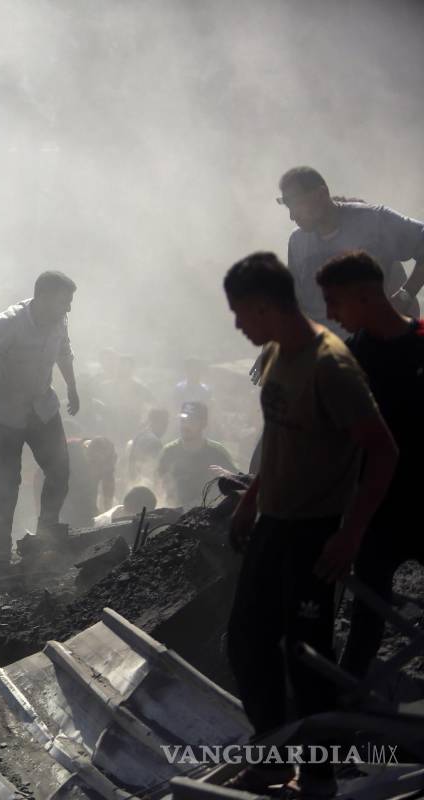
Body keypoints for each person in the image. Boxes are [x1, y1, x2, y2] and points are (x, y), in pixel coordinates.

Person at [222, 252, 397, 796]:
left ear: (265, 307)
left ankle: (318, 775)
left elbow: (383, 453)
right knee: (246, 642)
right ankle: (274, 753)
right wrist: (250, 500)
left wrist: (350, 534)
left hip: (315, 530)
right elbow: (277, 437)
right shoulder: (278, 353)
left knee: (307, 656)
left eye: (240, 314)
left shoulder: (332, 366)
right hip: (274, 521)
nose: (237, 325)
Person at [314, 252, 424, 679]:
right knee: (365, 625)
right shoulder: (347, 361)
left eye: (334, 301)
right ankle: (345, 717)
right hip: (377, 513)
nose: (329, 314)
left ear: (365, 296)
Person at [0, 271, 80, 562]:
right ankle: (2, 548)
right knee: (7, 481)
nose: (68, 309)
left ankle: (45, 535)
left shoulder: (58, 320)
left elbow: (64, 352)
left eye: (69, 303)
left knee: (60, 471)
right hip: (5, 413)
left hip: (41, 406)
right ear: (42, 298)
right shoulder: (8, 324)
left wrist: (73, 387)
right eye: (63, 302)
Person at [278, 166, 424, 325]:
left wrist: (405, 296)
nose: (292, 216)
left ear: (321, 194)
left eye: (297, 205)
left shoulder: (373, 221)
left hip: (376, 343)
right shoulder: (297, 243)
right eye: (288, 207)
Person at [156, 402, 237, 508]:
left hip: (207, 515)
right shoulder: (168, 452)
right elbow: (157, 484)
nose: (186, 425)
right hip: (174, 514)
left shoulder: (217, 452)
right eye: (183, 420)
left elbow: (236, 482)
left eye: (192, 421)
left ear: (203, 424)